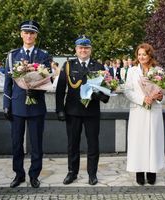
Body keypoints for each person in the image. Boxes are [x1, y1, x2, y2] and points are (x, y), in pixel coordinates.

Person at [3, 20, 51, 188]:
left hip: (36, 105)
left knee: (36, 144)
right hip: (17, 106)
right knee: (16, 143)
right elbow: (8, 83)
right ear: (21, 34)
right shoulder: (12, 55)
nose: (29, 35)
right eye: (26, 32)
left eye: (32, 33)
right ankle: (19, 174)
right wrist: (6, 105)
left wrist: (36, 91)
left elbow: (47, 80)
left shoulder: (43, 55)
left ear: (36, 36)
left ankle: (34, 175)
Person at [55, 35, 109, 185]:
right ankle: (72, 172)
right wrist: (59, 109)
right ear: (76, 49)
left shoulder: (98, 66)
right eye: (80, 48)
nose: (83, 50)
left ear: (90, 50)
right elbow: (60, 90)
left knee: (93, 144)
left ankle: (92, 174)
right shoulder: (68, 66)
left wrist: (101, 95)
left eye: (86, 48)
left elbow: (106, 92)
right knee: (73, 144)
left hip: (91, 112)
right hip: (72, 111)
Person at [124, 43, 165, 185]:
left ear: (150, 55)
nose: (141, 57)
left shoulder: (158, 71)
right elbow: (128, 91)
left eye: (144, 54)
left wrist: (159, 97)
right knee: (138, 142)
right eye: (139, 54)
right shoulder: (132, 71)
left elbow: (164, 91)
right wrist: (143, 99)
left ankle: (152, 171)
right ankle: (139, 171)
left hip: (154, 111)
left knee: (153, 141)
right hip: (138, 110)